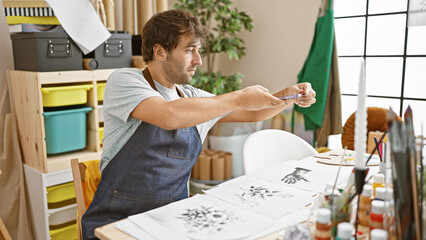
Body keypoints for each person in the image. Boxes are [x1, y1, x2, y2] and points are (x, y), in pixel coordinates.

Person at [81, 9, 316, 239]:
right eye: (189, 50)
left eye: (198, 51)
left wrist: (288, 97)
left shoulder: (190, 96)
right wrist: (237, 96)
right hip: (116, 225)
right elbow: (168, 115)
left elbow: (251, 113)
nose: (198, 60)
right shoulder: (125, 80)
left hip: (171, 222)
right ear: (160, 52)